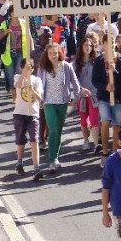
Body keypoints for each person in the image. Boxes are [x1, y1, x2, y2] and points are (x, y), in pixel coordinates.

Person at [39, 43, 82, 171]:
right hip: (48, 102)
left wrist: (75, 98)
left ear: (59, 53)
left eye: (55, 53)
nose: (53, 56)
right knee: (52, 129)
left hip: (63, 102)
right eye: (50, 53)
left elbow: (76, 84)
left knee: (58, 130)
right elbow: (38, 85)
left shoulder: (66, 66)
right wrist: (38, 99)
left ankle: (55, 157)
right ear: (47, 55)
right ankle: (51, 159)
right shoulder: (43, 68)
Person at [93, 34, 121, 157]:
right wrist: (105, 87)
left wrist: (115, 71)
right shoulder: (99, 61)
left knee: (117, 126)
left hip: (118, 97)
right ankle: (105, 151)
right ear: (103, 44)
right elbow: (95, 80)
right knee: (105, 122)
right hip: (104, 97)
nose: (111, 45)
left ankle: (114, 153)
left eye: (113, 42)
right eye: (108, 42)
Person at [10, 57, 43, 179]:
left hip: (33, 114)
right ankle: (19, 162)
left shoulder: (37, 80)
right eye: (25, 68)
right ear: (21, 68)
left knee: (35, 140)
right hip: (20, 113)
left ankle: (36, 167)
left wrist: (32, 89)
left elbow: (39, 98)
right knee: (20, 139)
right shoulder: (17, 77)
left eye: (30, 68)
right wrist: (24, 75)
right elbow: (17, 86)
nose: (28, 70)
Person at [74, 36, 101, 152]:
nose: (88, 47)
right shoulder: (76, 63)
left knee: (94, 120)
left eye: (90, 45)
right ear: (81, 47)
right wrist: (80, 90)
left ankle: (96, 144)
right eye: (86, 45)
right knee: (84, 121)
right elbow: (73, 80)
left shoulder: (96, 61)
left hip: (94, 94)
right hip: (82, 95)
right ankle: (86, 140)